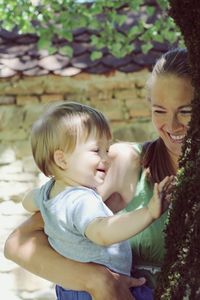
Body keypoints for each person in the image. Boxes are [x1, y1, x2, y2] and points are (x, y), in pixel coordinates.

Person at [4, 48, 193, 298]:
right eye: (159, 111)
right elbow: (18, 244)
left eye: (186, 111)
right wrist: (97, 280)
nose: (172, 125)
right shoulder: (122, 162)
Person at [22, 101, 172, 300]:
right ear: (62, 160)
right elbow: (102, 232)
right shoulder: (82, 200)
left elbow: (27, 201)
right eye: (96, 151)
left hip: (73, 288)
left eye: (107, 150)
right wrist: (148, 213)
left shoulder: (48, 191)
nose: (107, 158)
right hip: (98, 291)